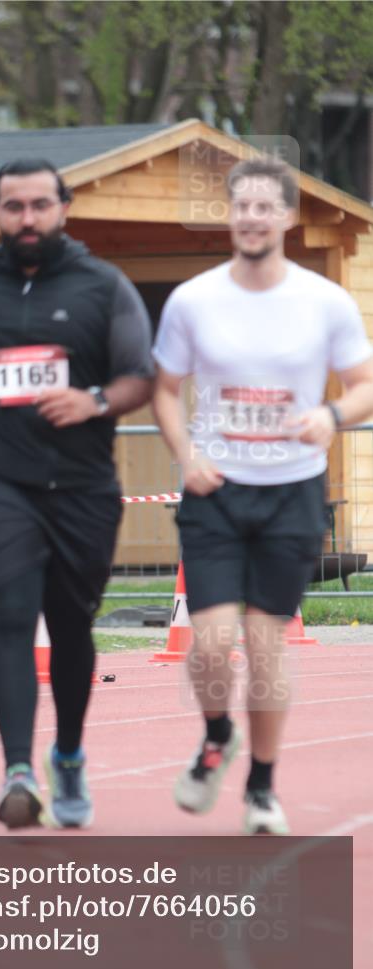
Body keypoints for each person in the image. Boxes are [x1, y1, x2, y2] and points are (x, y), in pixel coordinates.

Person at [0, 158, 153, 829]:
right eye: (12, 207)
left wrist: (91, 400)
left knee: (73, 627)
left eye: (38, 206)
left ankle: (70, 754)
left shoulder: (101, 285)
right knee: (14, 617)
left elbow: (139, 376)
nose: (26, 219)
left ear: (63, 208)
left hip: (82, 485)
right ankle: (17, 770)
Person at [152, 157, 373, 834]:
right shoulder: (193, 299)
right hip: (215, 490)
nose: (250, 217)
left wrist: (329, 417)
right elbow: (164, 390)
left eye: (262, 206)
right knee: (212, 646)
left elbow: (363, 383)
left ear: (285, 216)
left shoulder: (323, 301)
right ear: (230, 216)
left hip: (290, 492)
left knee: (266, 643)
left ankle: (261, 788)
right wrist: (185, 456)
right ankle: (217, 733)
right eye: (239, 206)